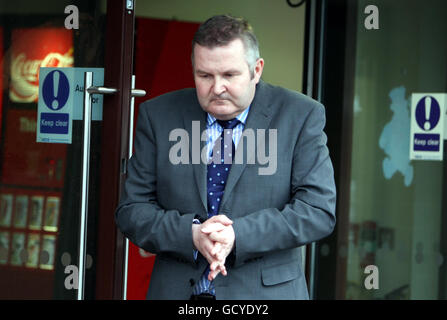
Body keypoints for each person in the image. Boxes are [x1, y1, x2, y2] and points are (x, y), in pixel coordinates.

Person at [115, 14, 336, 300]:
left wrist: (238, 235)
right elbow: (132, 210)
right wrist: (192, 234)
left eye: (229, 75)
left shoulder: (301, 115)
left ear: (256, 70)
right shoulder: (158, 116)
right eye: (204, 75)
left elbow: (317, 211)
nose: (217, 88)